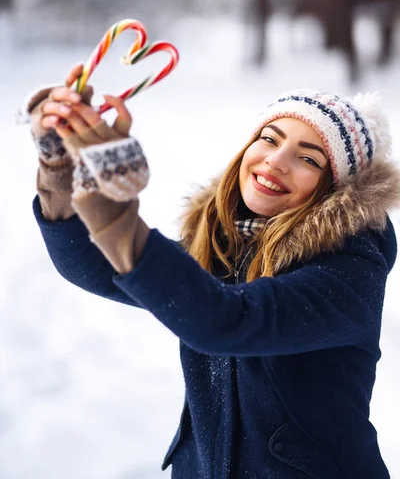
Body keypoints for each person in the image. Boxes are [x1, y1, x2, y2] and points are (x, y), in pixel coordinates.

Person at [24, 62, 400, 479]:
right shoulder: (227, 246)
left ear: (333, 188)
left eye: (308, 159)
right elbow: (91, 266)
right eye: (268, 138)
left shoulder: (349, 272)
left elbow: (225, 320)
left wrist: (112, 208)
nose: (276, 161)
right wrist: (59, 170)